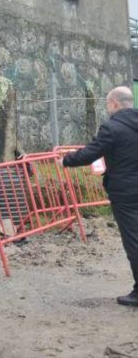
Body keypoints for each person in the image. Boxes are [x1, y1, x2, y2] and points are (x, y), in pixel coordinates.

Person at [63, 86, 138, 306]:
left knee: (134, 241)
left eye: (107, 104)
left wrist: (65, 160)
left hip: (125, 193)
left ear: (114, 103)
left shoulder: (112, 128)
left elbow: (90, 153)